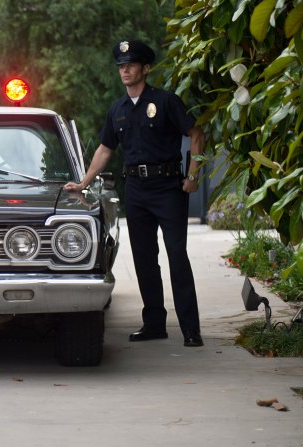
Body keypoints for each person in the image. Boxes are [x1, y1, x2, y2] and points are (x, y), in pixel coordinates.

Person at [64, 39, 206, 348]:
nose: (125, 70)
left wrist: (193, 176)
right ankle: (154, 323)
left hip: (168, 188)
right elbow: (105, 149)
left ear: (145, 68)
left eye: (130, 65)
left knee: (176, 257)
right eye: (121, 66)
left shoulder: (166, 101)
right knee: (144, 259)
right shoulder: (118, 109)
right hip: (137, 190)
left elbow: (196, 133)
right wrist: (83, 183)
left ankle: (191, 329)